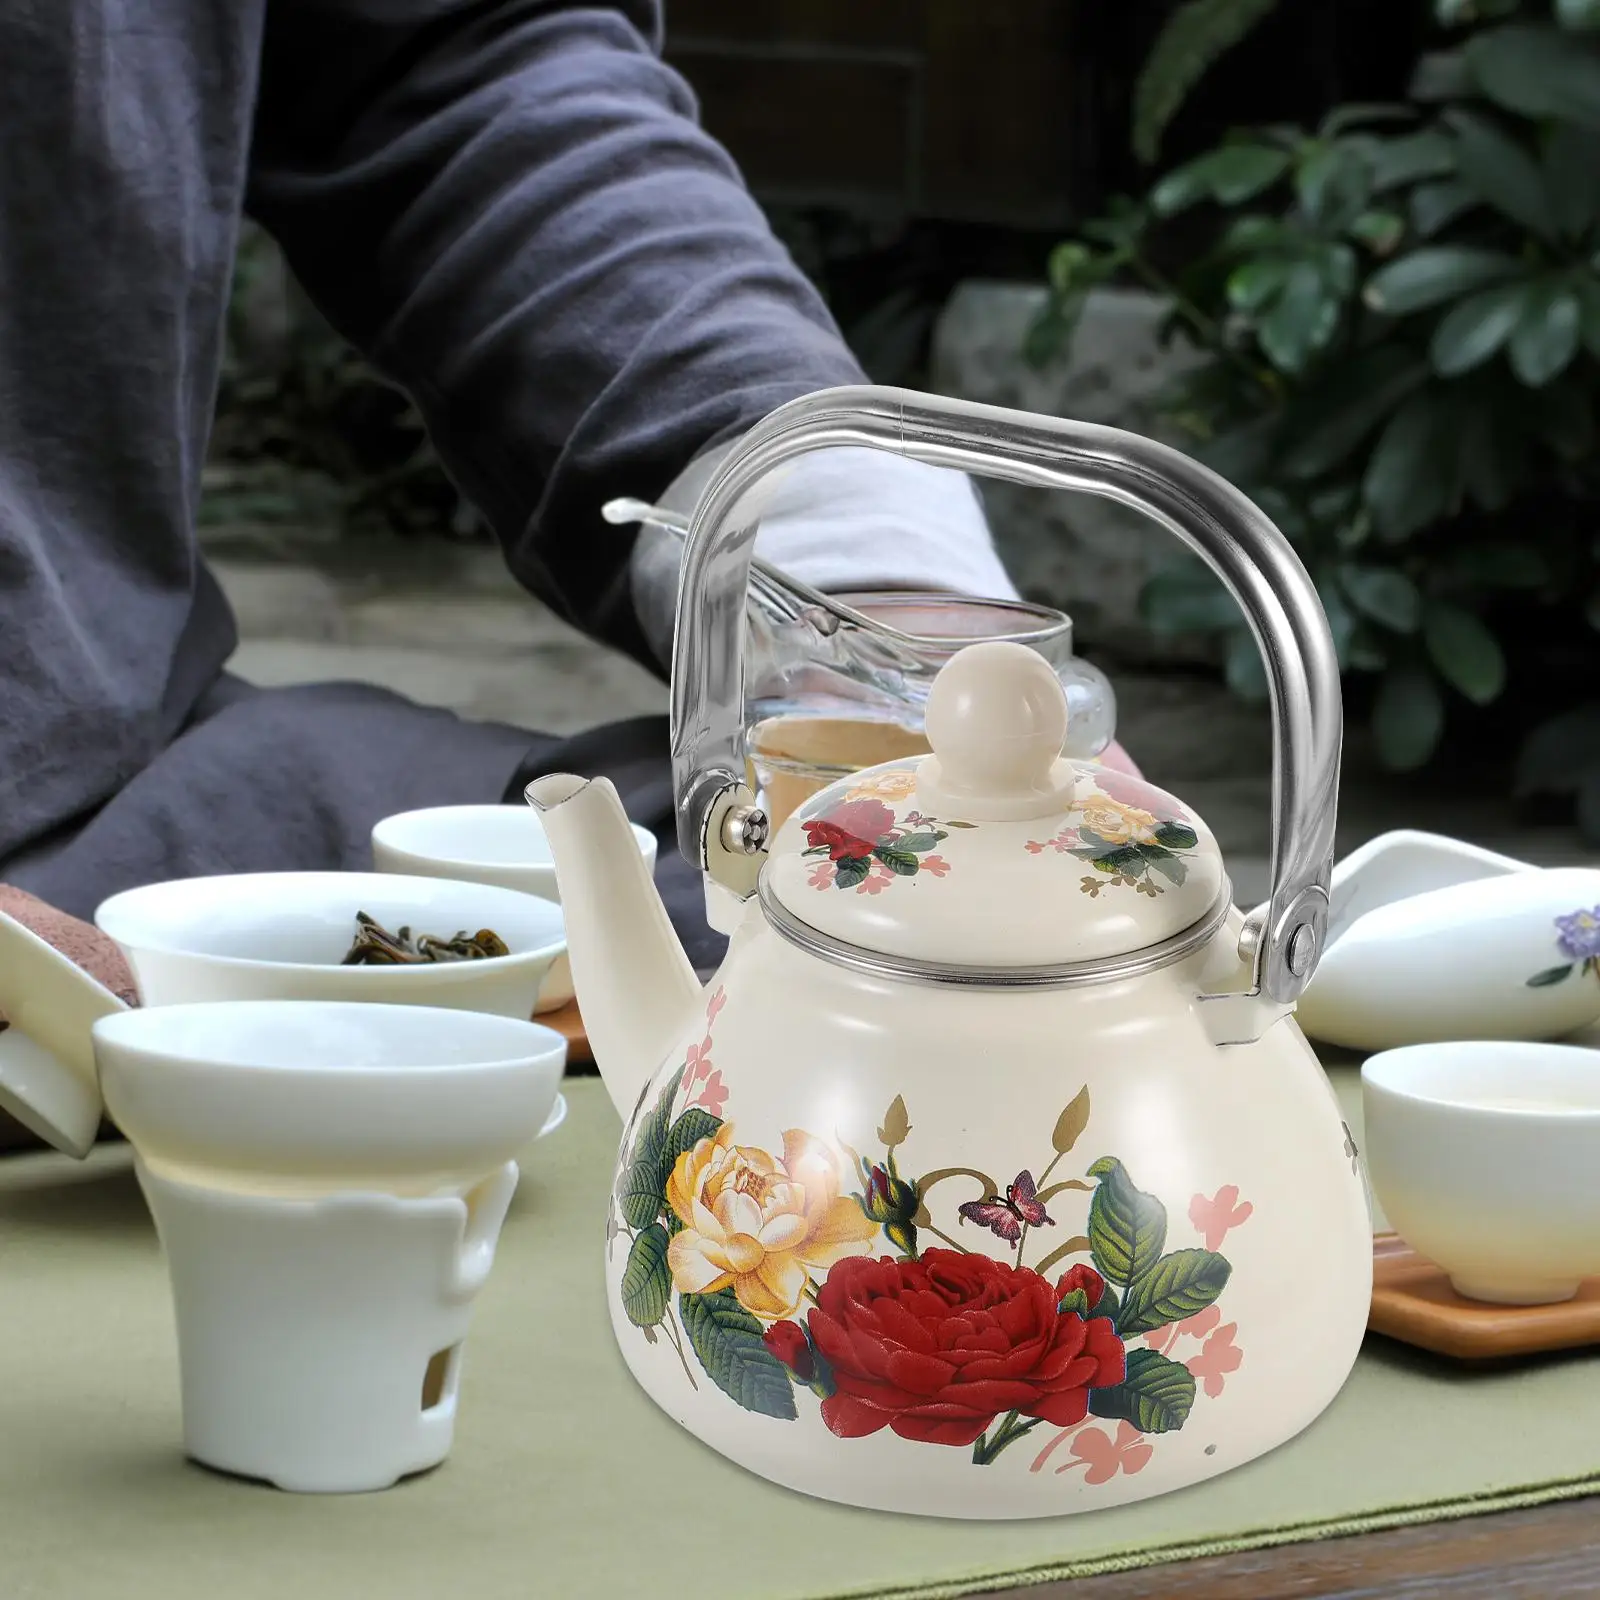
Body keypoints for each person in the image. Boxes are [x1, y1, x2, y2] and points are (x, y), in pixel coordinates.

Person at [0, 0, 1132, 972]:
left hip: (121, 792)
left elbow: (453, 61)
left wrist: (882, 635)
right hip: (59, 859)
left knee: (946, 901)